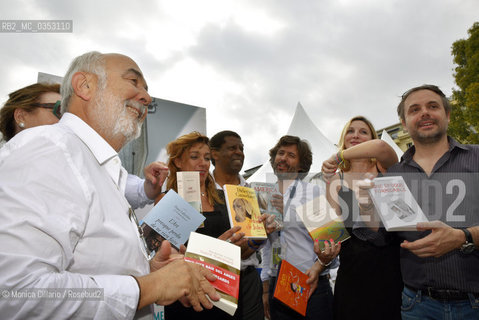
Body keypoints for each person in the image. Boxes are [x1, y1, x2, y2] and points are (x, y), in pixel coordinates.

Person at [0, 51, 219, 319]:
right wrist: (147, 287)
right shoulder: (48, 148)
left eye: (147, 89)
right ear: (85, 86)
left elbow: (90, 264)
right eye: (133, 81)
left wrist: (149, 271)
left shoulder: (100, 167)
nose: (147, 98)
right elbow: (15, 293)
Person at [358, 84, 479, 319]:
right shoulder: (392, 177)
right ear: (404, 123)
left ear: (447, 115)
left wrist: (463, 237)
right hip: (418, 306)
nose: (424, 113)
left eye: (432, 106)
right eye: (414, 110)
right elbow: (383, 237)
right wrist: (366, 208)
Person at [0, 82, 168, 210]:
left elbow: (124, 187)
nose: (67, 119)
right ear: (21, 116)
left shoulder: (81, 158)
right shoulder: (10, 167)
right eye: (59, 111)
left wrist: (149, 185)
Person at [157, 131, 258, 319]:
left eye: (206, 158)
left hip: (226, 295)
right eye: (194, 157)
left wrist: (256, 236)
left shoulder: (223, 198)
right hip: (188, 297)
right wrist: (212, 251)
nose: (203, 163)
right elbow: (160, 256)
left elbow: (239, 248)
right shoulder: (167, 200)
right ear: (178, 162)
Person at [321, 116, 403, 320]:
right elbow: (333, 232)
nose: (356, 135)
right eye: (350, 131)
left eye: (363, 131)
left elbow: (381, 147)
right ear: (344, 137)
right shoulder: (335, 180)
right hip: (352, 275)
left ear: (371, 137)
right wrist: (323, 254)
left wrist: (337, 156)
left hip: (391, 270)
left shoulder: (385, 167)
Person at [261, 135, 340, 320]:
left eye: (291, 155)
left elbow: (332, 245)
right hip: (276, 285)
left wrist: (290, 214)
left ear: (301, 165)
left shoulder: (312, 192)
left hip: (310, 284)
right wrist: (265, 288)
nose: (283, 158)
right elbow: (266, 247)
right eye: (280, 153)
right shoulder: (264, 195)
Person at [209, 130, 268, 320]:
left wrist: (261, 235)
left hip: (248, 281)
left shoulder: (250, 192)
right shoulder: (200, 190)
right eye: (232, 148)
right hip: (214, 281)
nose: (239, 152)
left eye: (241, 148)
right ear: (214, 153)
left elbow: (253, 244)